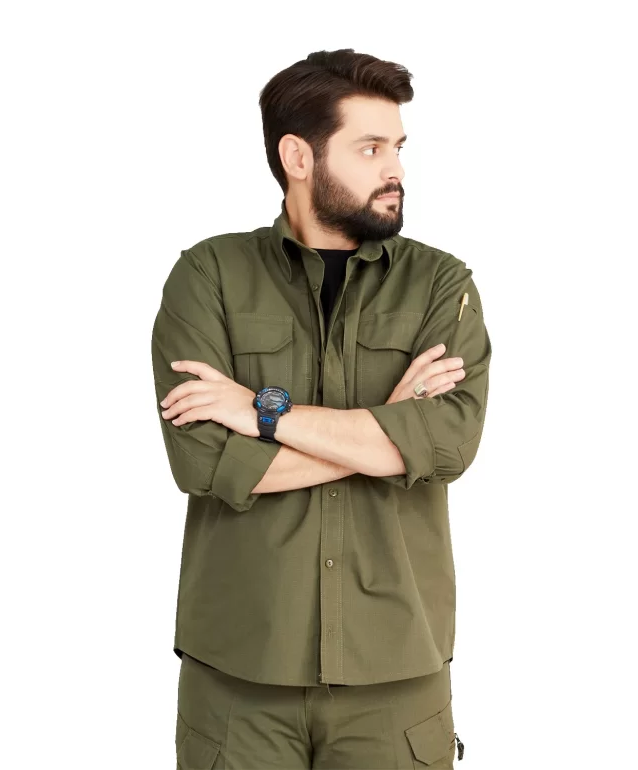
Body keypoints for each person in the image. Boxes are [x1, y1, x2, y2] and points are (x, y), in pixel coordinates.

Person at [151, 47, 490, 769]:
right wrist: (383, 431)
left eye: (397, 147)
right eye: (370, 149)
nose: (395, 170)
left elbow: (443, 447)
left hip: (397, 674)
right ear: (298, 157)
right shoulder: (207, 277)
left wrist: (262, 414)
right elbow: (204, 462)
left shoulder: (440, 285)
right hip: (237, 674)